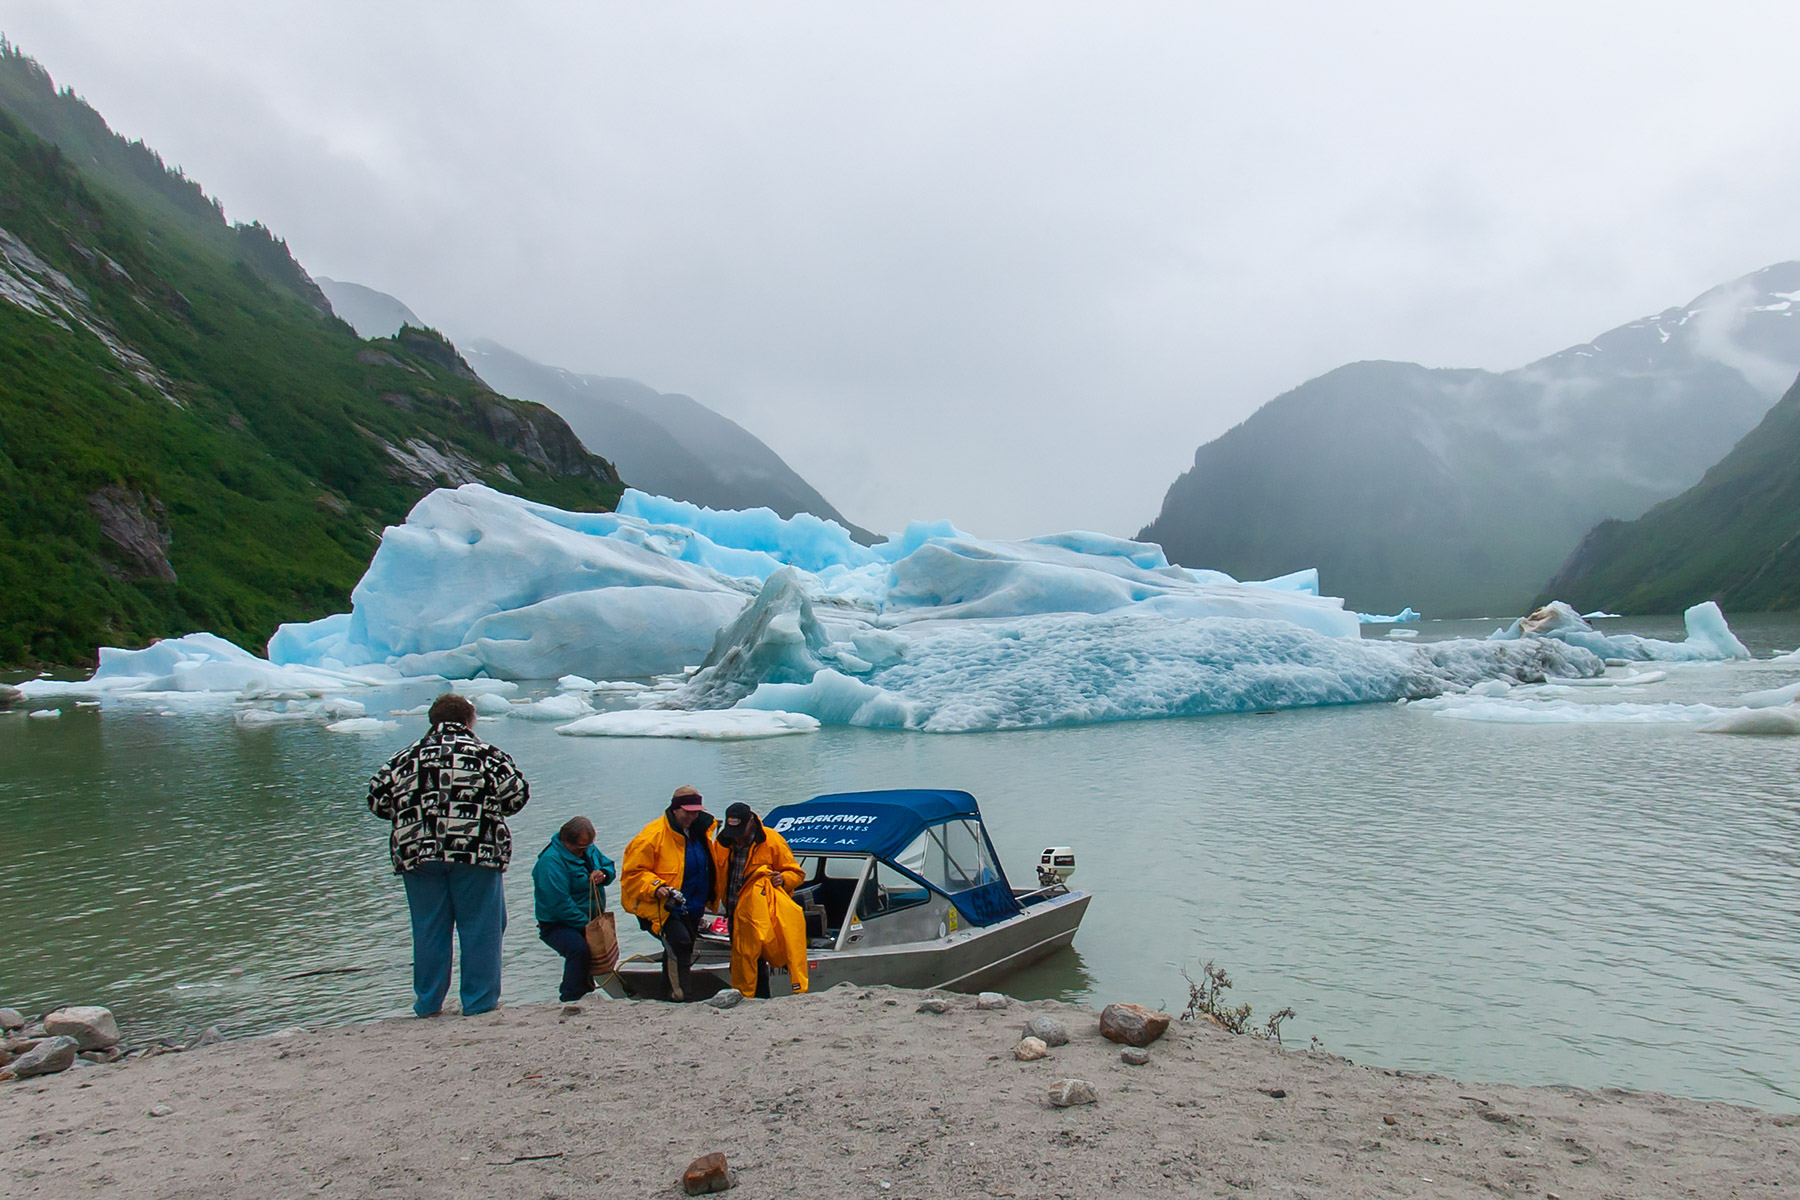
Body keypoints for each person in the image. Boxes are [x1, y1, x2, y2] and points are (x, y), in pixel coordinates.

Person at [366, 692, 529, 1017]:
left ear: (432, 720)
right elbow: (517, 796)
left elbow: (377, 800)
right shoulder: (488, 755)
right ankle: (479, 1003)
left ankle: (428, 1004)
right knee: (481, 927)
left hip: (417, 854)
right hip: (476, 852)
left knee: (429, 928)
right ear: (470, 720)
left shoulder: (403, 758)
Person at [620, 785, 716, 1001]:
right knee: (679, 944)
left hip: (693, 904)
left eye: (696, 811)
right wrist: (656, 886)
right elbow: (632, 874)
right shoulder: (651, 837)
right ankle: (681, 994)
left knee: (686, 945)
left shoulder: (700, 832)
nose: (692, 816)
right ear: (675, 809)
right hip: (662, 906)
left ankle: (667, 993)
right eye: (687, 811)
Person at [713, 802, 809, 998]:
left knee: (760, 960)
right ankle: (745, 996)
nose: (737, 835)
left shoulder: (772, 840)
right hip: (734, 912)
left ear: (751, 821)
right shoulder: (723, 842)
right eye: (733, 830)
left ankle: (762, 998)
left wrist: (783, 879)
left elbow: (797, 874)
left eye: (740, 829)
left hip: (762, 913)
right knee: (741, 959)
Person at [531, 816, 618, 1003]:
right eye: (580, 848)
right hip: (557, 923)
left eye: (587, 847)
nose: (584, 851)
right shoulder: (550, 863)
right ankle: (570, 997)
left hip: (588, 919)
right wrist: (588, 926)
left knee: (591, 953)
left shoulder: (588, 849)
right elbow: (559, 904)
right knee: (578, 949)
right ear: (566, 842)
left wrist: (603, 874)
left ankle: (587, 993)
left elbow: (608, 865)